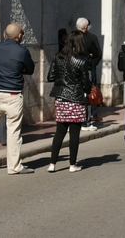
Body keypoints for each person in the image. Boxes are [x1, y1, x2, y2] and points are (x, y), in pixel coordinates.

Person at [0, 23, 35, 174]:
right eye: (22, 33)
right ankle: (14, 167)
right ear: (19, 36)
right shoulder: (22, 51)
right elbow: (30, 69)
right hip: (13, 95)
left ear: (5, 34)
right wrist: (20, 68)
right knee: (13, 132)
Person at [47, 30, 91, 173]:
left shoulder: (58, 57)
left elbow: (50, 76)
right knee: (74, 133)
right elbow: (86, 82)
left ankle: (52, 163)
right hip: (75, 98)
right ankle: (72, 165)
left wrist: (62, 80)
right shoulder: (82, 60)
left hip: (61, 97)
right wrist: (87, 89)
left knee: (59, 131)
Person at [76, 18, 103, 129]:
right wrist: (93, 61)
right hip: (87, 68)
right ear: (86, 27)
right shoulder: (91, 38)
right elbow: (98, 53)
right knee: (88, 92)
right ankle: (86, 121)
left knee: (78, 94)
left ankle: (76, 118)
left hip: (75, 68)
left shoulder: (72, 38)